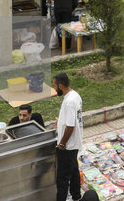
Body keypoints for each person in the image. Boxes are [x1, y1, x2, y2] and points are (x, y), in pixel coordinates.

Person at [53, 72, 83, 201]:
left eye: (54, 86)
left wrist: (62, 144)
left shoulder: (69, 101)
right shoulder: (75, 95)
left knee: (62, 177)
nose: (54, 88)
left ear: (60, 86)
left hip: (68, 146)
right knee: (74, 170)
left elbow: (71, 126)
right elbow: (72, 119)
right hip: (74, 143)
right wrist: (61, 121)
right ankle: (76, 195)